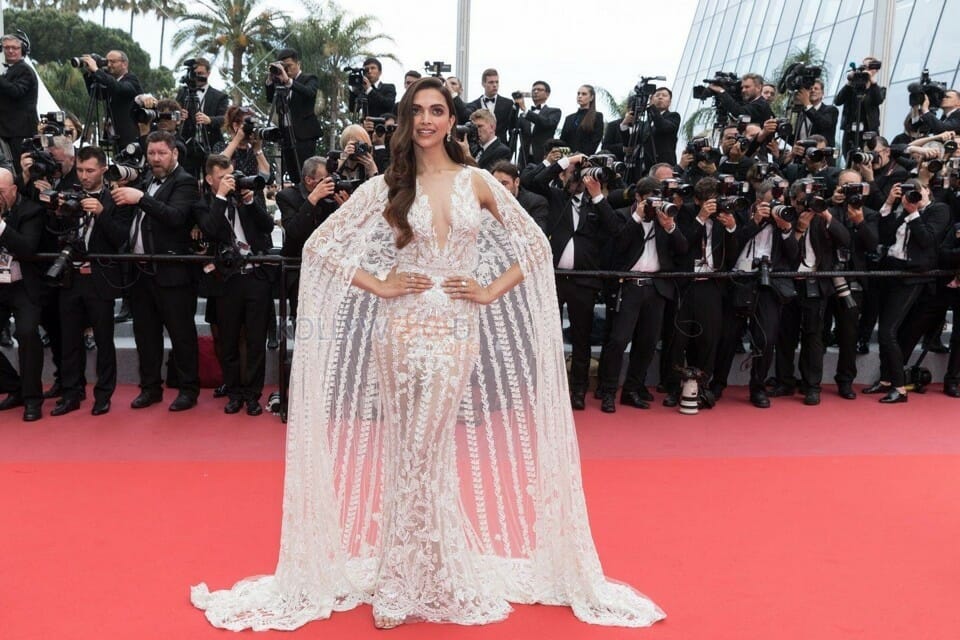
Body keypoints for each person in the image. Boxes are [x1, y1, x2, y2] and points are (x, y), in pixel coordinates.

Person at [191, 76, 664, 631]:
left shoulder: (479, 180)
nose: (426, 120)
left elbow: (535, 245)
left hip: (455, 331)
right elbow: (320, 246)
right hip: (399, 332)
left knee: (426, 446)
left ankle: (413, 573)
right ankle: (409, 572)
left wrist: (488, 291)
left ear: (452, 118)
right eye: (417, 111)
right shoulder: (391, 183)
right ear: (404, 120)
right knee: (406, 449)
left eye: (437, 110)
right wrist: (381, 284)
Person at [265, 48, 322, 183]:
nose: (286, 70)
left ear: (298, 64)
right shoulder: (280, 83)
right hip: (286, 135)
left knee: (306, 172)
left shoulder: (309, 78)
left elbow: (309, 93)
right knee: (293, 175)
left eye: (289, 66)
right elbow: (269, 98)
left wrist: (289, 82)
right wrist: (270, 79)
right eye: (283, 67)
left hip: (304, 136)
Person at [80, 50, 143, 148]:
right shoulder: (111, 83)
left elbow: (118, 88)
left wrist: (97, 70)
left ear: (124, 64)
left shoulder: (131, 80)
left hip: (131, 139)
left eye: (113, 62)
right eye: (107, 61)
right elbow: (98, 95)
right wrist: (90, 74)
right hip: (116, 139)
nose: (108, 65)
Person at [0, 34, 39, 172]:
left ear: (22, 49)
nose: (10, 51)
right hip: (9, 130)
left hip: (20, 131)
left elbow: (16, 91)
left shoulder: (25, 70)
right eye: (7, 48)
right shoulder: (10, 70)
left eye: (14, 48)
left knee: (21, 169)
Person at [560, 84, 603, 155]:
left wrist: (582, 155)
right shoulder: (569, 118)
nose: (580, 96)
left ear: (591, 97)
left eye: (584, 94)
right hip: (566, 158)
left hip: (585, 159)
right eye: (578, 94)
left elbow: (595, 140)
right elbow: (563, 140)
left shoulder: (597, 116)